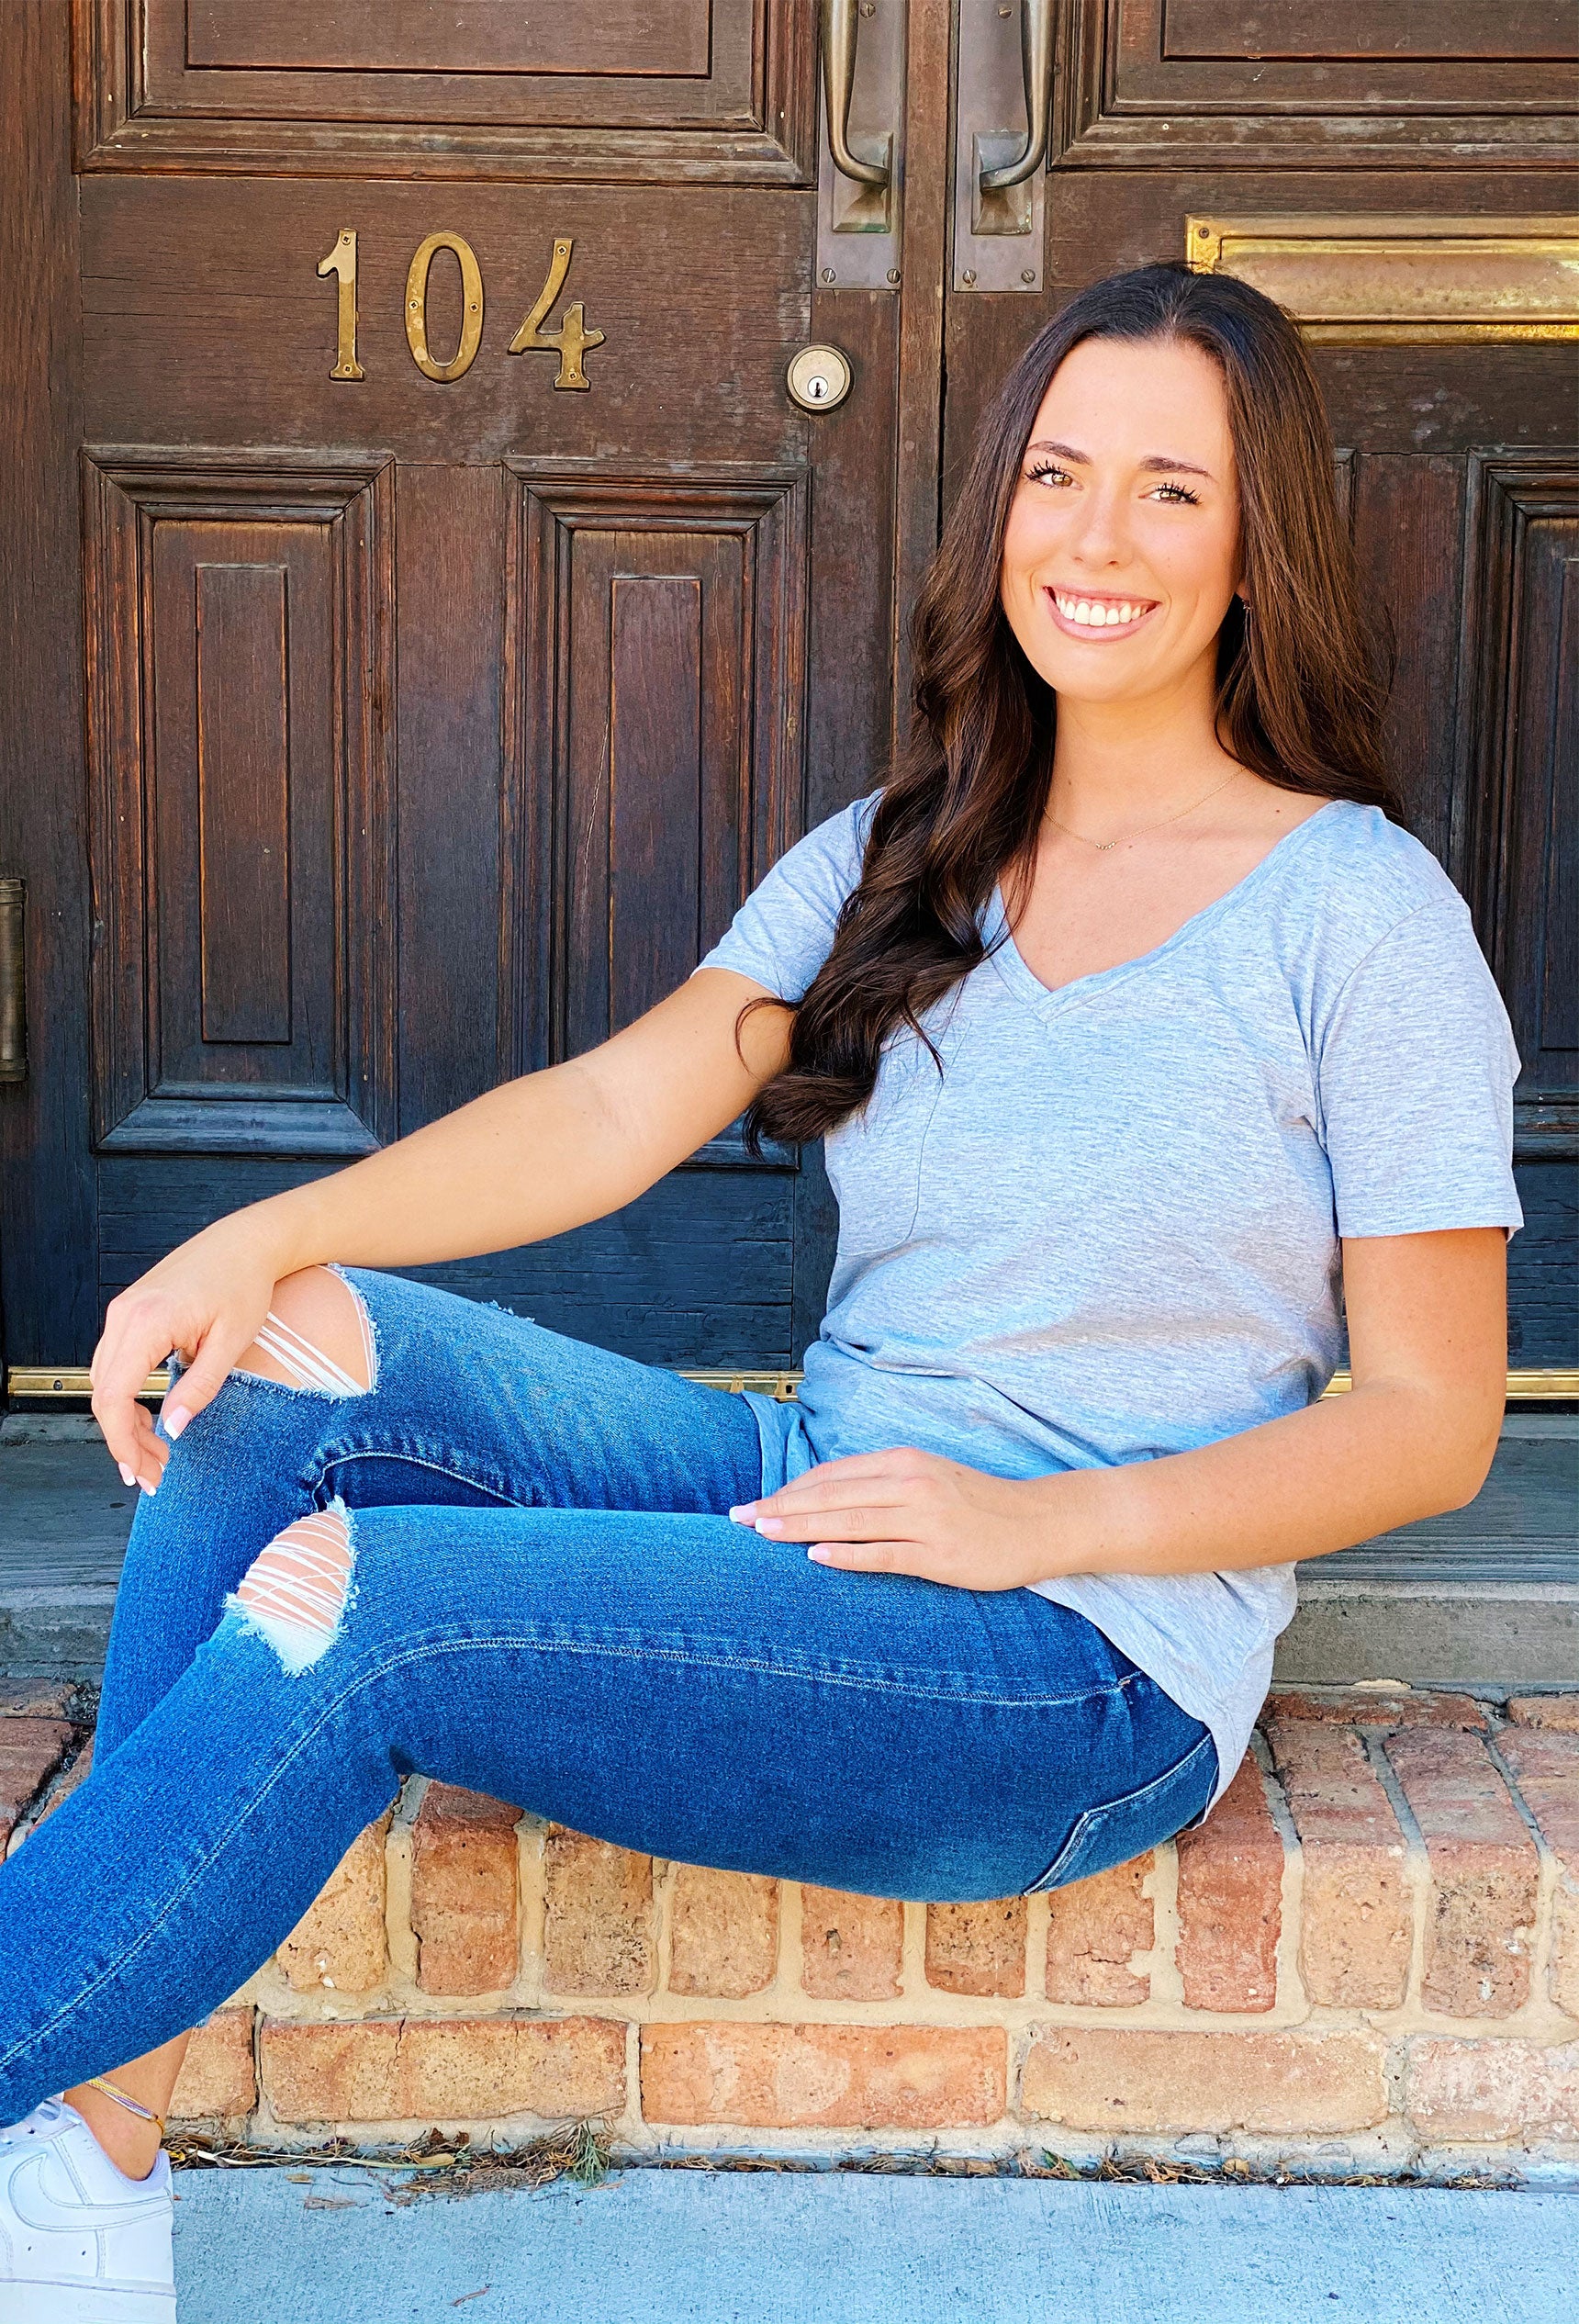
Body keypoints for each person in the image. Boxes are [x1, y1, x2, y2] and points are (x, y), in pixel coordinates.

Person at [0, 260, 1520, 2319]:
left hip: (1070, 1658)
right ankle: (85, 2165)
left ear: (1260, 549)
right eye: (1055, 475)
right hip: (819, 1485)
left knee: (373, 1604)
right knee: (293, 1354)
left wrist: (1032, 1525)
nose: (1093, 539)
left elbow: (1426, 1422)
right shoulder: (908, 854)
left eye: (1171, 491)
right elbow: (620, 1104)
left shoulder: (1358, 913)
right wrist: (263, 1232)